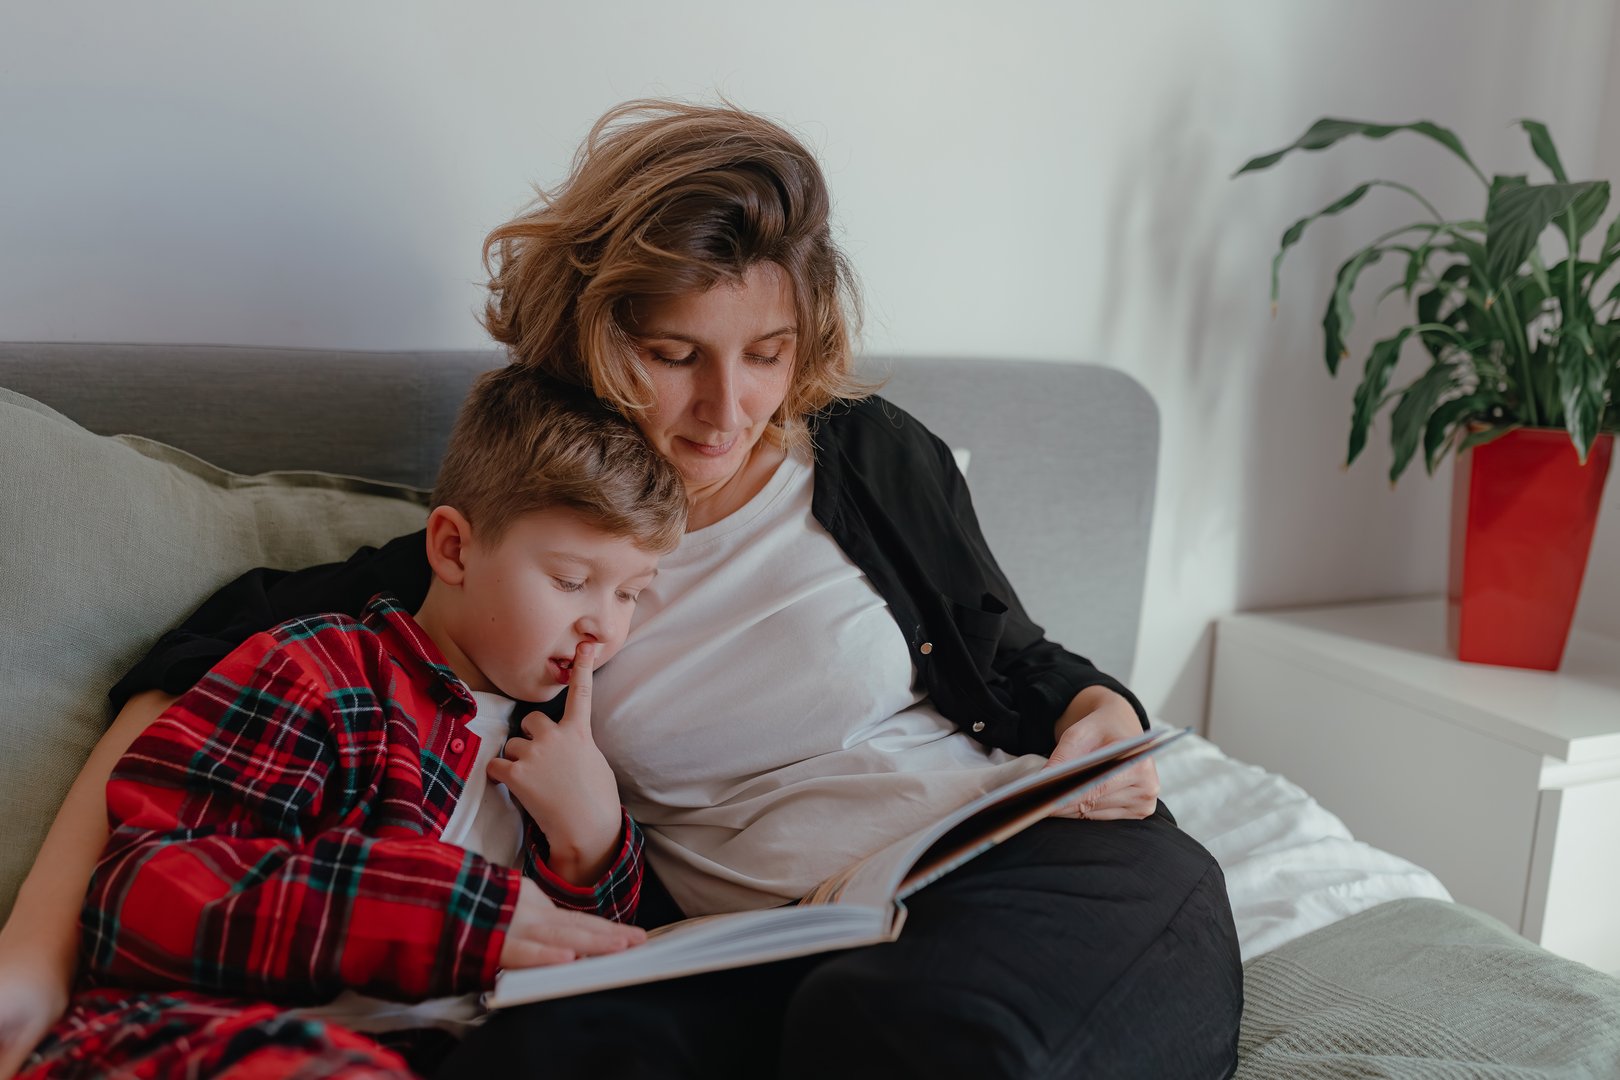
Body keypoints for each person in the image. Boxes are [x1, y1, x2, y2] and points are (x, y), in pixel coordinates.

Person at [0, 99, 1242, 1079]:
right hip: (753, 947)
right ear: (600, 334)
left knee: (921, 1034)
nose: (726, 408)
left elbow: (1022, 665)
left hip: (1015, 868)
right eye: (673, 356)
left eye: (767, 355)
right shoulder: (526, 539)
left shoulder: (870, 454)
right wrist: (32, 956)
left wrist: (1103, 720)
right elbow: (197, 664)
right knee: (542, 1055)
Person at [12, 368, 686, 1077]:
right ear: (453, 549)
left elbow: (586, 975)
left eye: (631, 595)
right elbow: (145, 896)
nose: (600, 627)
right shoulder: (321, 673)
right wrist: (449, 917)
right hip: (206, 1036)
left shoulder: (562, 748)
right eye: (571, 581)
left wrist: (593, 847)